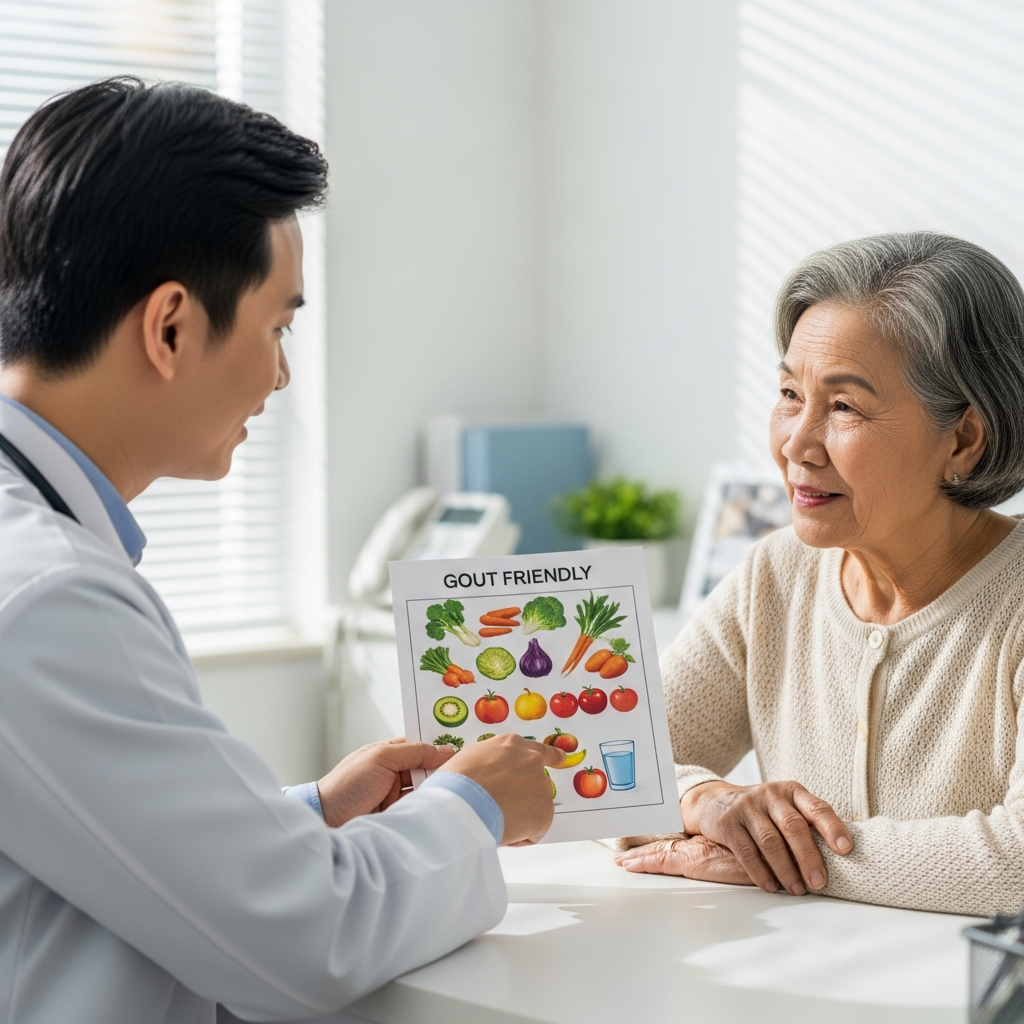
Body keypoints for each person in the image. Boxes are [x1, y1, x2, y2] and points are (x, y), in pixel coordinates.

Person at [0, 78, 564, 1023]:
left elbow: (84, 846)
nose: (280, 373)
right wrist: (475, 807)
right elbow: (312, 943)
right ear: (171, 326)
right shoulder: (50, 598)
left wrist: (305, 818)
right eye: (278, 326)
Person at [615, 231, 1024, 917]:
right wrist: (705, 801)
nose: (796, 446)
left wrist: (783, 857)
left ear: (963, 438)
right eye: (788, 394)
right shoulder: (777, 573)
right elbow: (603, 769)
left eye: (843, 407)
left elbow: (1015, 864)